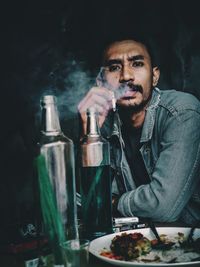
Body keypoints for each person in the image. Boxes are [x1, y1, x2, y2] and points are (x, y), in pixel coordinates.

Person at [78, 35, 200, 225]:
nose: (126, 76)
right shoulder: (104, 125)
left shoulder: (182, 112)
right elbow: (88, 203)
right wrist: (88, 137)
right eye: (114, 67)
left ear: (155, 76)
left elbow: (163, 206)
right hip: (143, 245)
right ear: (101, 82)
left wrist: (113, 203)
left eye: (137, 63)